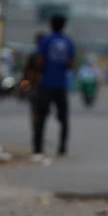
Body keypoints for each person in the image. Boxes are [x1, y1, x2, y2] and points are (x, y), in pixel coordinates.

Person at [33, 14, 75, 160]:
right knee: (63, 119)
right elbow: (71, 64)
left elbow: (39, 60)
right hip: (61, 84)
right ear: (64, 25)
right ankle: (62, 148)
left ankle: (38, 149)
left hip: (46, 84)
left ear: (51, 24)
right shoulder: (68, 42)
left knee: (41, 117)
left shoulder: (45, 40)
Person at [22, 32, 45, 142]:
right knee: (37, 112)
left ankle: (37, 134)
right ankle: (37, 134)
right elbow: (26, 73)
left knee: (37, 112)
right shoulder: (35, 56)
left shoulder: (41, 56)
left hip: (41, 87)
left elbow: (25, 73)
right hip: (37, 87)